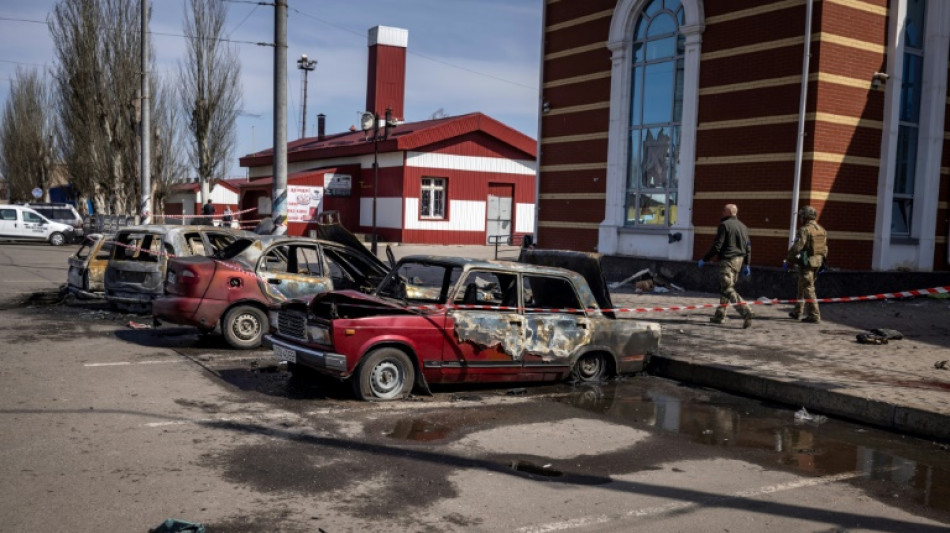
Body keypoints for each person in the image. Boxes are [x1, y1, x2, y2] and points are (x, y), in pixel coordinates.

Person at [698, 203, 753, 328]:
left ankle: (746, 310)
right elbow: (748, 247)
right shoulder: (743, 227)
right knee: (726, 288)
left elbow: (718, 245)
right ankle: (720, 315)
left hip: (728, 260)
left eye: (724, 210)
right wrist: (747, 264)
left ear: (729, 212)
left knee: (727, 289)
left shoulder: (724, 225)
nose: (722, 213)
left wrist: (705, 259)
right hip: (739, 261)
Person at [786, 205, 828, 323]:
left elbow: (798, 246)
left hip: (807, 263)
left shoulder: (804, 230)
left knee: (808, 288)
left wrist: (789, 259)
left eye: (801, 216)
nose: (800, 219)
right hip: (818, 262)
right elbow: (825, 248)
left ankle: (814, 315)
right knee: (802, 286)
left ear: (806, 217)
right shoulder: (822, 230)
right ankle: (797, 311)